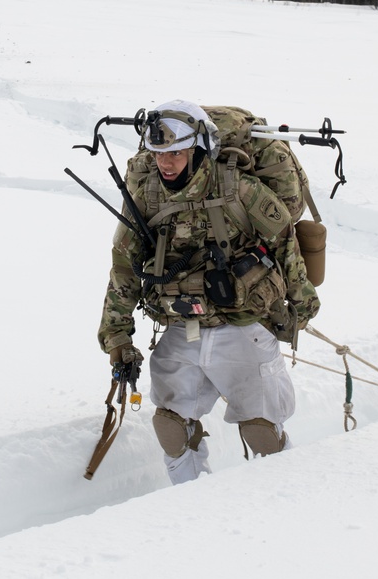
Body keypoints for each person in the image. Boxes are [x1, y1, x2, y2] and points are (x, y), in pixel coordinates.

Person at [97, 99, 316, 485]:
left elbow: (283, 241)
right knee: (171, 427)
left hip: (243, 325)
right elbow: (123, 263)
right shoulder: (147, 193)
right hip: (182, 327)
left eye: (177, 153)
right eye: (159, 153)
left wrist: (300, 303)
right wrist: (117, 334)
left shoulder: (237, 188)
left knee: (262, 432)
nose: (166, 163)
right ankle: (192, 506)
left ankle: (286, 501)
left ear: (198, 149)